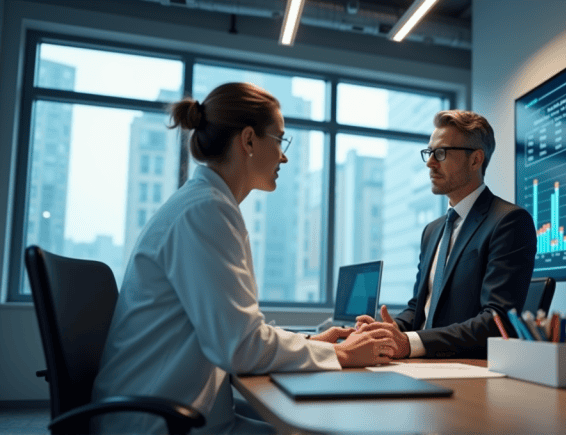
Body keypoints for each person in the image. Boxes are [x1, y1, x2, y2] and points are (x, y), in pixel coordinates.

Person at [91, 82, 396, 434]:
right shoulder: (205, 211)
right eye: (280, 140)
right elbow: (239, 347)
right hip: (157, 422)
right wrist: (340, 355)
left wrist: (309, 343)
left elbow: (237, 333)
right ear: (249, 140)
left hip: (172, 408)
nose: (284, 156)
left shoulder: (206, 204)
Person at [355, 110, 537, 359]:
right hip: (419, 364)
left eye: (440, 153)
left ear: (475, 160)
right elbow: (419, 308)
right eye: (429, 153)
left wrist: (409, 343)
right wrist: (387, 331)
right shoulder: (432, 231)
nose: (430, 162)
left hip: (465, 370)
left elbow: (497, 320)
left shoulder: (509, 222)